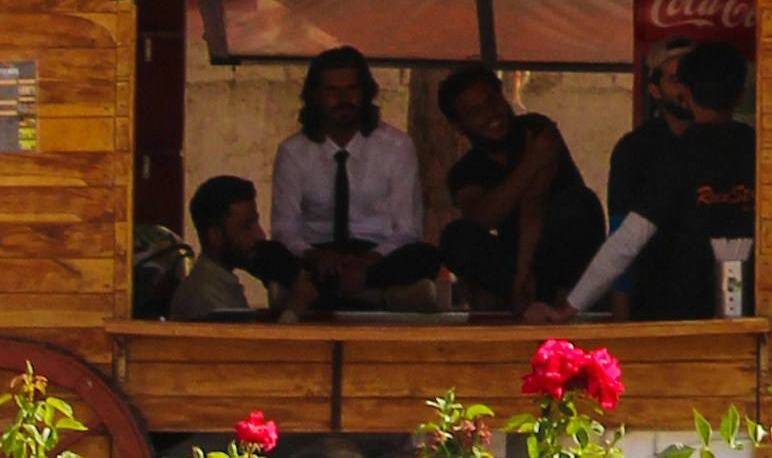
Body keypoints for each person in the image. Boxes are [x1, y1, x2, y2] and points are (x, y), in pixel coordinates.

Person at [431, 61, 605, 317]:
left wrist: (523, 268)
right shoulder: (465, 170)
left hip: (558, 247)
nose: (490, 114)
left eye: (492, 101)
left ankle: (522, 295)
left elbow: (534, 201)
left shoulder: (535, 128)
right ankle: (548, 297)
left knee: (579, 203)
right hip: (514, 262)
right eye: (475, 111)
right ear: (459, 126)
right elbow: (480, 217)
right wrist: (531, 163)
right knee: (455, 237)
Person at [602, 36, 756, 322]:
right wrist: (620, 322)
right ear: (654, 89)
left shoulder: (749, 145)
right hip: (661, 307)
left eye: (689, 79)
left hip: (735, 309)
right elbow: (623, 237)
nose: (684, 88)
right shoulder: (637, 149)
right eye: (676, 79)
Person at [269, 48, 436, 303]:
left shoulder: (397, 146)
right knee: (268, 254)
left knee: (424, 255)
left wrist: (367, 262)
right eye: (332, 91)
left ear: (365, 92)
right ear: (315, 96)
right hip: (318, 254)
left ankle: (336, 289)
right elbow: (285, 229)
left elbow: (407, 229)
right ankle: (372, 293)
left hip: (377, 255)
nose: (343, 99)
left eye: (352, 89)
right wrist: (316, 256)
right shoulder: (293, 151)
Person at [173, 174, 301, 321]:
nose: (259, 234)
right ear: (215, 235)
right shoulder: (207, 295)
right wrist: (296, 306)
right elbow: (238, 337)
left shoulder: (217, 284)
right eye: (247, 226)